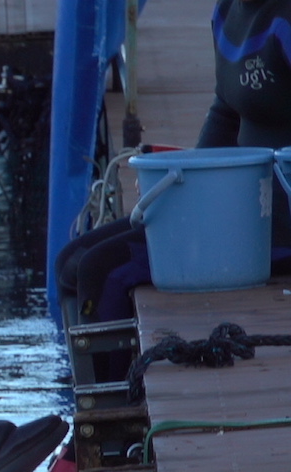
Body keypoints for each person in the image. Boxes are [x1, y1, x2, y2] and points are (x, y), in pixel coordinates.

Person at [57, 0, 291, 349]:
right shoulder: (226, 11)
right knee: (70, 262)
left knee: (101, 271)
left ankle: (118, 382)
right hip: (234, 208)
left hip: (273, 227)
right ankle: (94, 374)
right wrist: (186, 183)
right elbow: (226, 112)